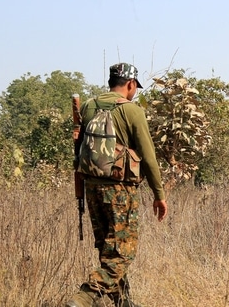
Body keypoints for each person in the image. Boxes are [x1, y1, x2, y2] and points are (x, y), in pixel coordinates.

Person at [67, 63, 168, 307]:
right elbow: (148, 155)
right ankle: (86, 295)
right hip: (120, 190)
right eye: (135, 87)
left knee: (108, 249)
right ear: (131, 84)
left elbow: (79, 148)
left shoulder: (89, 106)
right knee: (123, 251)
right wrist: (159, 194)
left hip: (92, 187)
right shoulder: (132, 111)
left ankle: (124, 301)